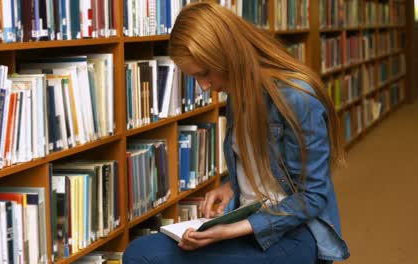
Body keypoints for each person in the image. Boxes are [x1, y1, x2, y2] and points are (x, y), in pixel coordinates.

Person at [123, 2, 350, 264]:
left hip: (295, 233)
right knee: (138, 252)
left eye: (205, 73)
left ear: (227, 56)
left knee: (145, 259)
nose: (205, 87)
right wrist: (230, 187)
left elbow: (311, 197)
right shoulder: (236, 92)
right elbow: (263, 167)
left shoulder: (297, 98)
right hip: (247, 220)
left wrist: (228, 231)